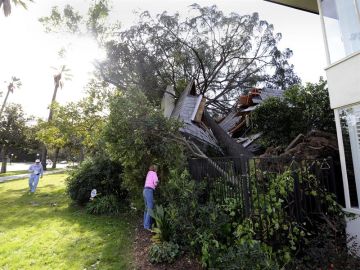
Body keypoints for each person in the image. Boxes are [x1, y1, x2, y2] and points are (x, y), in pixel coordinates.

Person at [143, 164, 159, 230]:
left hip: (144, 190)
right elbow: (155, 182)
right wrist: (158, 182)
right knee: (150, 208)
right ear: (155, 169)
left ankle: (145, 224)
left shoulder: (149, 173)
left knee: (147, 208)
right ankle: (147, 226)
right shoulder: (154, 173)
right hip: (149, 190)